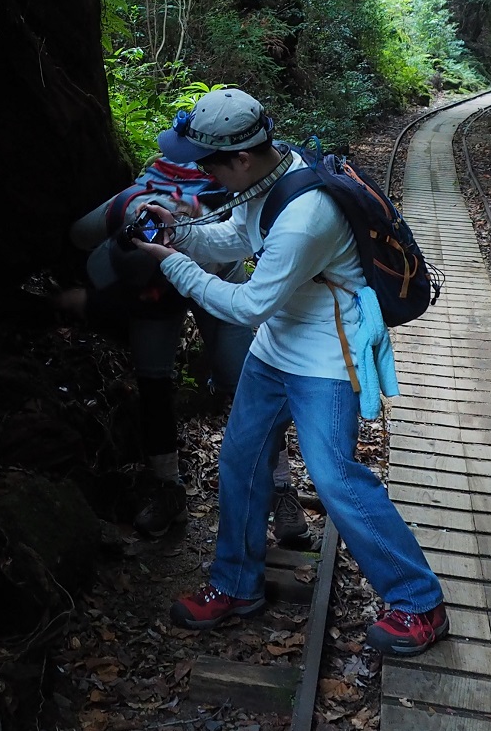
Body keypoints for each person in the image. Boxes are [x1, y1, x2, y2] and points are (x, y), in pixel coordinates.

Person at [130, 87, 449, 656]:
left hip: (328, 355)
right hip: (277, 349)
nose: (200, 174)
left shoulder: (307, 215)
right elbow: (237, 236)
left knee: (335, 477)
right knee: (241, 459)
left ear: (242, 159)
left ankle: (419, 603)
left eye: (207, 165)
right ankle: (235, 585)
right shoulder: (269, 174)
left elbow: (246, 305)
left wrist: (170, 262)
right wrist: (179, 232)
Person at [48, 134, 311, 545]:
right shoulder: (120, 209)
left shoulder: (202, 233)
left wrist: (123, 292)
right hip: (151, 287)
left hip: (214, 279)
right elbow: (79, 236)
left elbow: (239, 301)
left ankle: (280, 489)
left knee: (243, 380)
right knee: (152, 379)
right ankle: (166, 486)